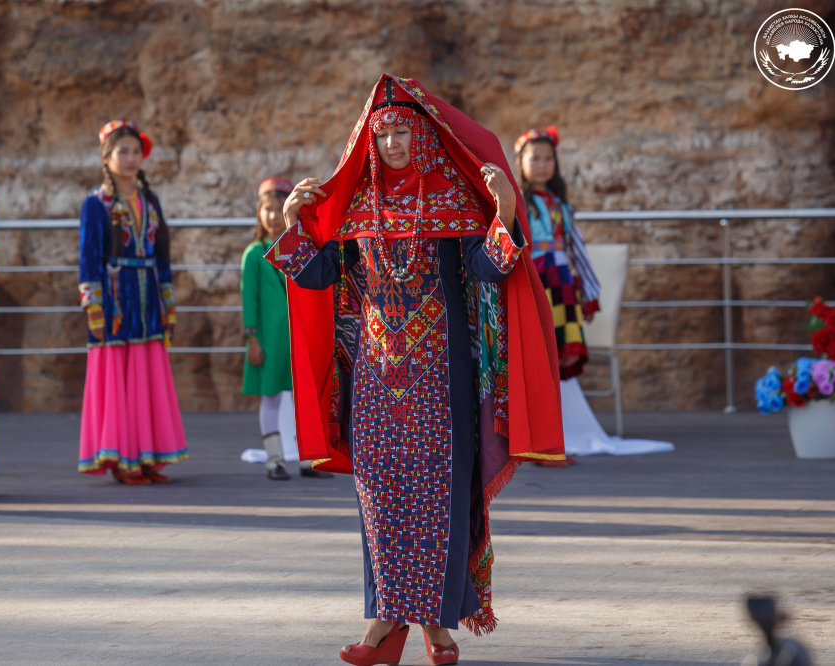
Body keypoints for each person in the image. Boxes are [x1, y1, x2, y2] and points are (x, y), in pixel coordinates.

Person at [265, 76, 564, 666]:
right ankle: (390, 622)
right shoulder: (355, 209)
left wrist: (504, 210)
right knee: (378, 495)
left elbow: (488, 269)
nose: (394, 144)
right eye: (384, 135)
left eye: (403, 131)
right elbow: (319, 274)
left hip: (441, 375)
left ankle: (429, 626)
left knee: (442, 496)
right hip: (375, 378)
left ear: (423, 135)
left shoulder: (454, 202)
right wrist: (289, 227)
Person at [515, 126, 673, 460]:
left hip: (561, 288)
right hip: (534, 284)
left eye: (548, 158)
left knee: (558, 356)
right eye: (535, 158)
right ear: (521, 162)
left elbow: (578, 251)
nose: (542, 165)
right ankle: (535, 436)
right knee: (536, 355)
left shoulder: (562, 207)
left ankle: (557, 434)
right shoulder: (518, 205)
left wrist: (589, 290)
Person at [77, 119, 188, 484]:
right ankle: (123, 459)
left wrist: (168, 303)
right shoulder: (96, 205)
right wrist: (94, 308)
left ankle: (146, 457)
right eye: (121, 151)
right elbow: (88, 260)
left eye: (134, 151)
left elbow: (163, 256)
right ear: (106, 158)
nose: (129, 158)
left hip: (148, 297)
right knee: (120, 378)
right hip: (115, 302)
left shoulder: (149, 200)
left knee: (145, 377)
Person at [241, 177, 332, 480]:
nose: (271, 216)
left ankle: (308, 460)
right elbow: (249, 299)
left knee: (302, 396)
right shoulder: (254, 253)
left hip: (297, 335)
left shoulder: (297, 246)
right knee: (271, 396)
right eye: (266, 210)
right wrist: (251, 338)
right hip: (269, 338)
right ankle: (274, 459)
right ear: (258, 213)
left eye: (277, 210)